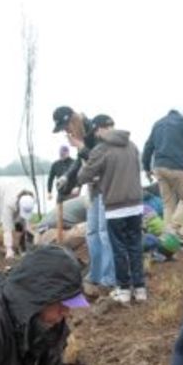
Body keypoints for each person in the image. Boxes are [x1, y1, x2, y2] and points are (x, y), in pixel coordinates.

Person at [78, 114, 147, 304]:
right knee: (135, 247)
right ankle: (140, 289)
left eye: (96, 131)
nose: (97, 135)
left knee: (118, 249)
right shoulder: (132, 145)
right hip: (136, 204)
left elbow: (84, 175)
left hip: (115, 207)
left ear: (99, 128)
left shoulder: (102, 149)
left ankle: (124, 289)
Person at [53, 105, 117, 293]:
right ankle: (95, 274)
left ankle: (109, 277)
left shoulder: (96, 132)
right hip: (94, 190)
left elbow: (99, 162)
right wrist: (67, 177)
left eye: (66, 127)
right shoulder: (81, 137)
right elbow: (80, 162)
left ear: (72, 121)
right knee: (92, 233)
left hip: (108, 187)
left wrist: (80, 146)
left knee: (105, 233)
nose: (66, 132)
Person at [142, 109, 183, 235]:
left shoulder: (158, 123)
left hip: (159, 168)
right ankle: (172, 227)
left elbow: (148, 146)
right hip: (177, 167)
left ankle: (168, 236)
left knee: (168, 204)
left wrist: (146, 168)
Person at [0, 181, 33, 262]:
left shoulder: (29, 200)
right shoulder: (9, 204)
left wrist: (27, 231)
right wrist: (9, 249)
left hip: (5, 194)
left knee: (20, 223)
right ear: (18, 204)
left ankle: (23, 249)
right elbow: (7, 229)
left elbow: (24, 221)